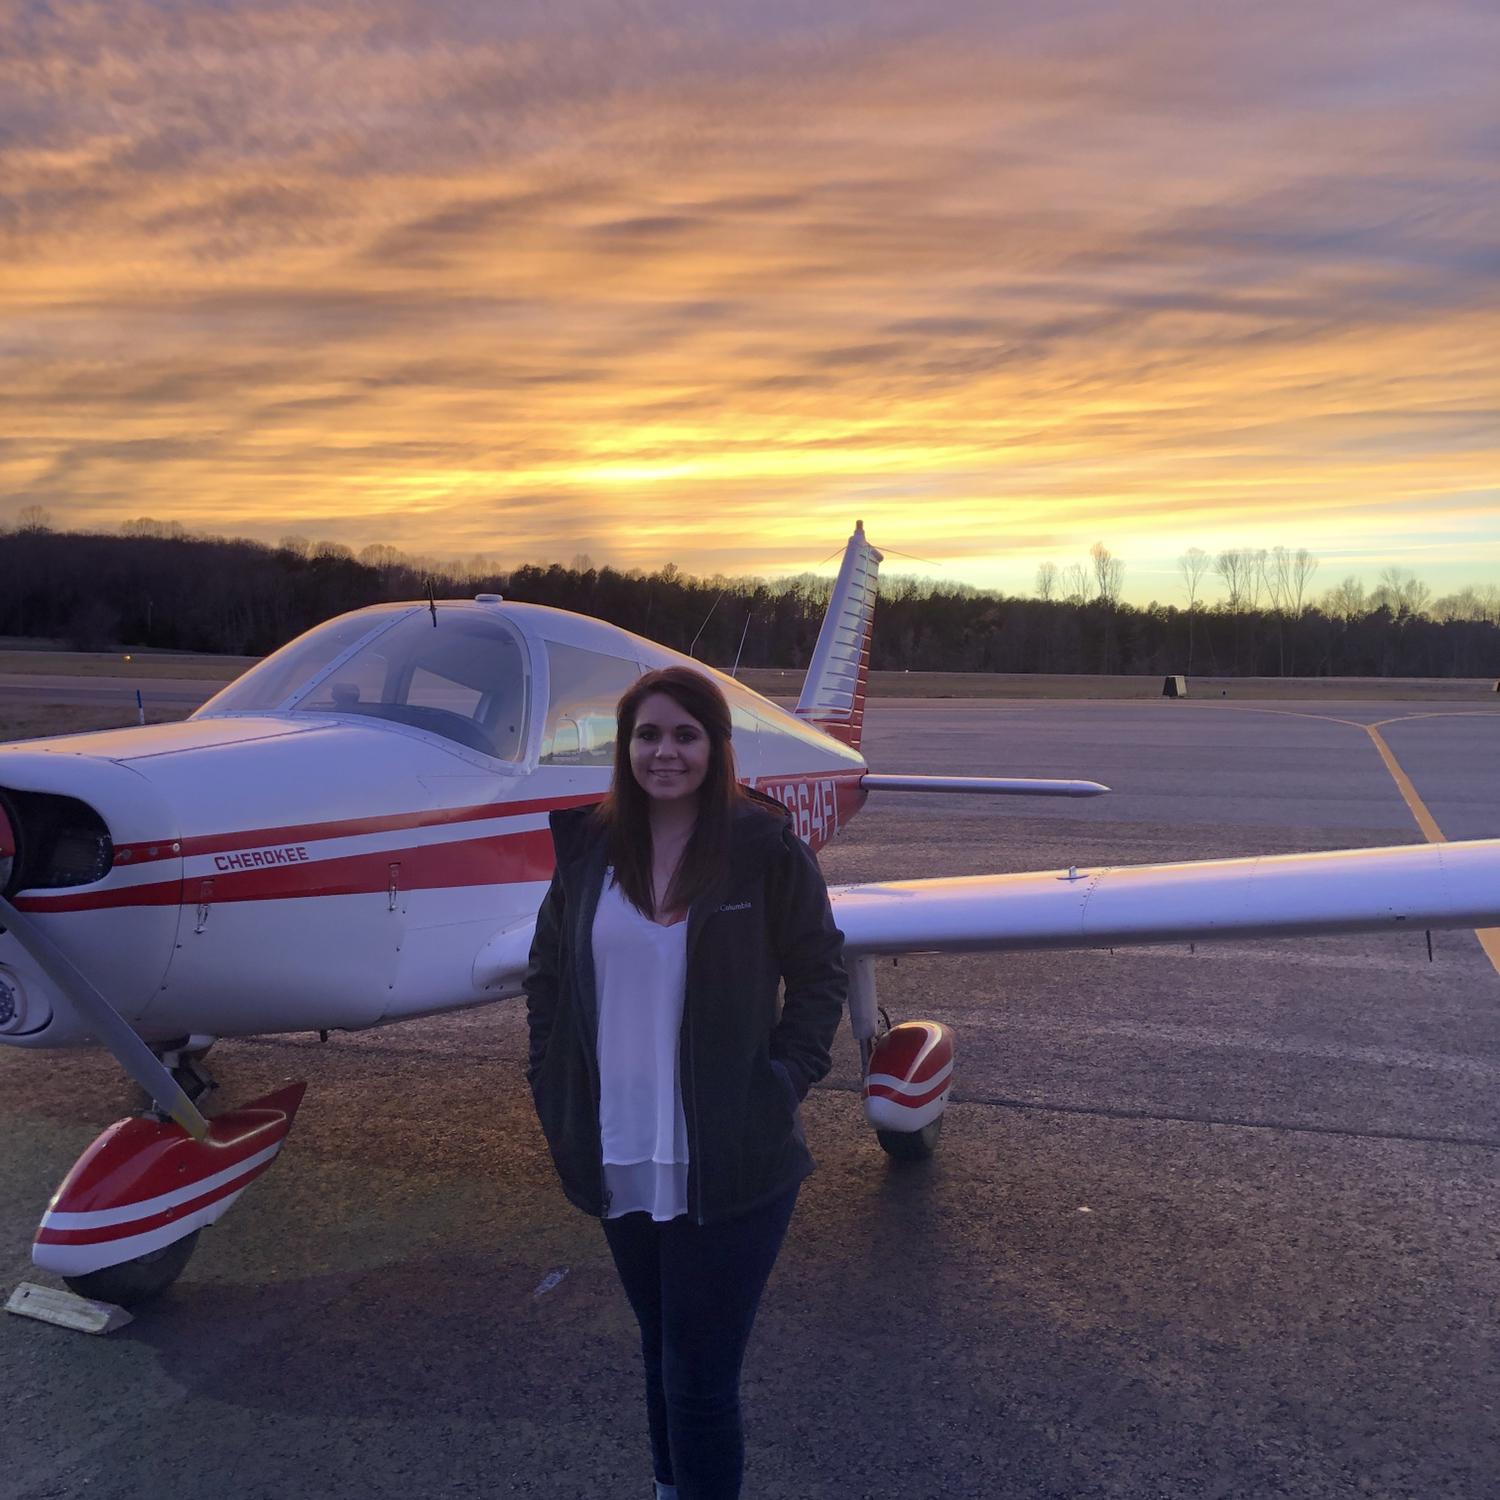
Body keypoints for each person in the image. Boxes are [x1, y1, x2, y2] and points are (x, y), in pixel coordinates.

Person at [524, 666, 847, 1500]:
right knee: (658, 1352)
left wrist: (779, 1082)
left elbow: (819, 974)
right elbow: (549, 976)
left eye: (685, 735)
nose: (664, 752)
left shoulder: (762, 850)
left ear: (716, 747)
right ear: (625, 748)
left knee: (700, 1381)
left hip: (730, 1161)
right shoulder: (589, 850)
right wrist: (550, 1082)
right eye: (647, 735)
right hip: (622, 1154)